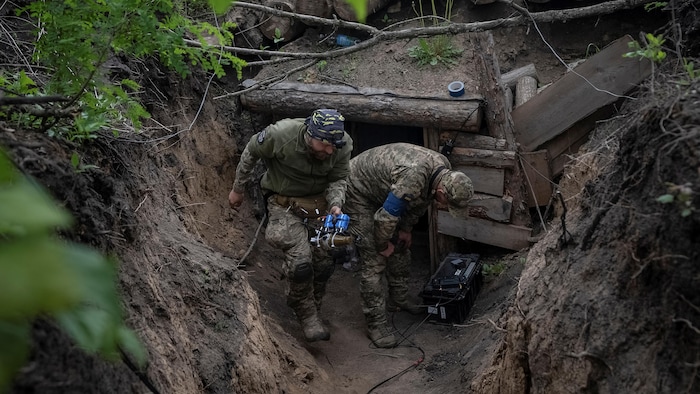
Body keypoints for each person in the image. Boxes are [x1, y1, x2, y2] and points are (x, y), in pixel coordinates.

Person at [228, 109, 353, 342]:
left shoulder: (341, 145)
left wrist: (336, 204)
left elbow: (338, 178)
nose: (329, 151)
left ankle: (310, 304)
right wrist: (238, 189)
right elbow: (251, 151)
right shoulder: (281, 135)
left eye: (333, 146)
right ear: (310, 135)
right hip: (283, 204)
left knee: (324, 264)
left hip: (319, 206)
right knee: (301, 264)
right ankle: (308, 318)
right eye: (324, 145)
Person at [336, 142, 473, 348]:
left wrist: (406, 229)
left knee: (400, 246)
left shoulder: (442, 168)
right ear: (443, 191)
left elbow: (422, 200)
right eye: (448, 203)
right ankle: (376, 324)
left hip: (383, 189)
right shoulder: (413, 177)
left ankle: (398, 299)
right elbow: (385, 218)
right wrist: (382, 245)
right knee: (374, 259)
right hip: (358, 192)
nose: (445, 207)